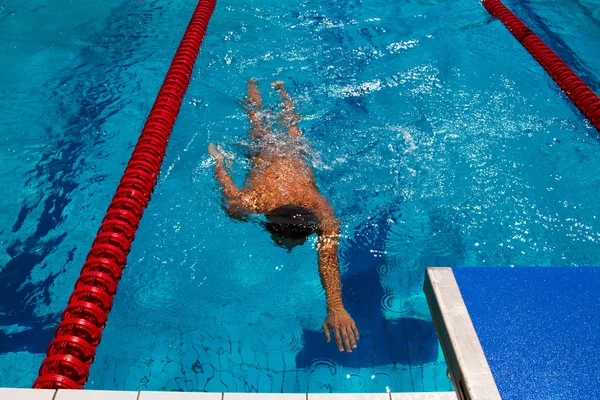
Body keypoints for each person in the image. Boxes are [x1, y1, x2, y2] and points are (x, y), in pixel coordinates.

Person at [208, 79, 359, 352]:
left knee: (283, 127)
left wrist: (336, 308)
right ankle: (258, 85)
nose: (291, 249)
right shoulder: (255, 204)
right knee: (260, 122)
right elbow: (229, 192)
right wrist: (218, 162)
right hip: (269, 154)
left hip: (292, 155)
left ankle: (276, 89)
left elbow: (328, 259)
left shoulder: (320, 212)